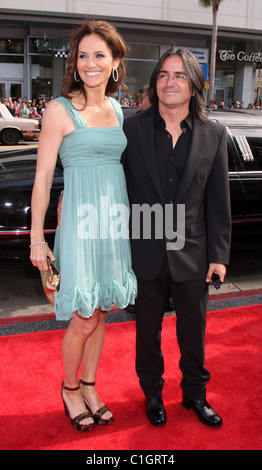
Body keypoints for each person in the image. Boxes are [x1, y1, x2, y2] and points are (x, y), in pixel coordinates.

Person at [30, 18, 137, 432]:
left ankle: (91, 385)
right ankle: (70, 387)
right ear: (73, 62)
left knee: (103, 309)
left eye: (99, 55)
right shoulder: (59, 109)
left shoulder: (115, 108)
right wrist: (38, 237)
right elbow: (42, 177)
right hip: (79, 220)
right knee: (83, 315)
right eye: (83, 55)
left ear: (114, 62)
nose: (90, 63)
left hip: (112, 219)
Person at [122, 48, 231, 427]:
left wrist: (218, 254)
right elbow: (118, 189)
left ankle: (195, 395)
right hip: (144, 250)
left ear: (194, 86)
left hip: (194, 253)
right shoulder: (131, 129)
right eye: (164, 75)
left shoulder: (214, 133)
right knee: (147, 332)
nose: (170, 82)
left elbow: (218, 199)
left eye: (180, 75)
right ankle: (152, 394)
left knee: (193, 332)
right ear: (154, 82)